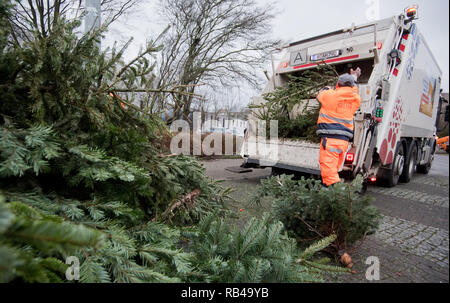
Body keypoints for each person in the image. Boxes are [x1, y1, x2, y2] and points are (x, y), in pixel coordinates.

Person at [316, 68, 362, 187]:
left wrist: (327, 88)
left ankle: (336, 195)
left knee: (328, 171)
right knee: (334, 168)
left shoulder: (330, 95)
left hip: (330, 140)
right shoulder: (355, 99)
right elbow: (354, 90)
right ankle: (330, 193)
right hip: (343, 141)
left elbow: (319, 95)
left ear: (338, 84)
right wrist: (355, 77)